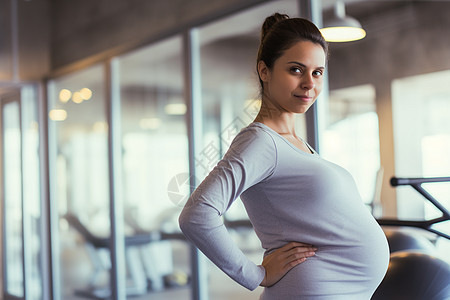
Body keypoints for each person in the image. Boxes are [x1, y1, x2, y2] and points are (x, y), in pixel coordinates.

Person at [179, 13, 389, 299]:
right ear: (265, 71)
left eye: (317, 72)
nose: (309, 84)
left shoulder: (293, 143)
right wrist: (255, 274)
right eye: (295, 70)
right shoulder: (260, 141)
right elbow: (197, 215)